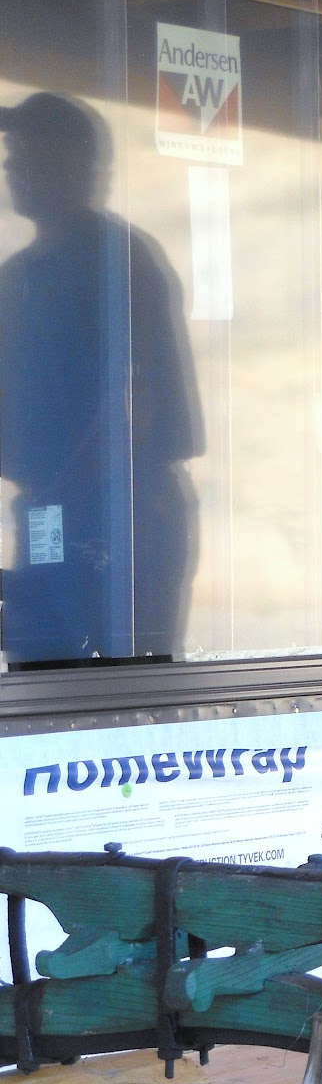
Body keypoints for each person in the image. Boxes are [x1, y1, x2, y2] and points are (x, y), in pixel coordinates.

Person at [0, 91, 202, 665]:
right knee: (43, 683)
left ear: (73, 163)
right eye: (10, 152)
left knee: (121, 701)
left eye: (24, 151)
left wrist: (56, 498)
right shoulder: (19, 280)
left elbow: (136, 407)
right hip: (49, 513)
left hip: (122, 518)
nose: (9, 166)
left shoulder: (117, 263)